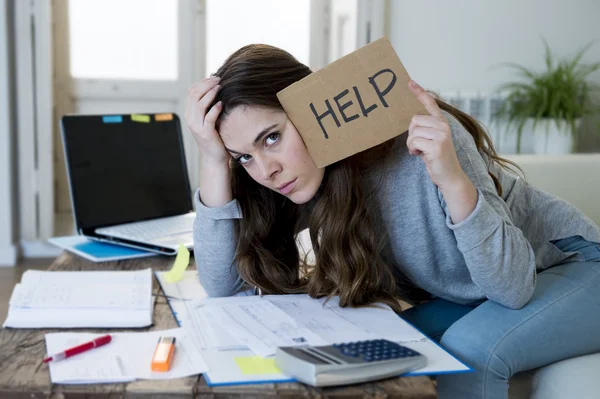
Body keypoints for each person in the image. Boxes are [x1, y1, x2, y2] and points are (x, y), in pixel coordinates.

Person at [184, 44, 600, 399]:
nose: (265, 170)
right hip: (477, 293)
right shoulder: (301, 180)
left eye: (271, 137)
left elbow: (511, 287)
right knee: (373, 343)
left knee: (471, 347)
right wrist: (214, 160)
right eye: (244, 156)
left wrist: (452, 179)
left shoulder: (423, 140)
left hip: (572, 265)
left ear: (312, 110)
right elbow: (222, 286)